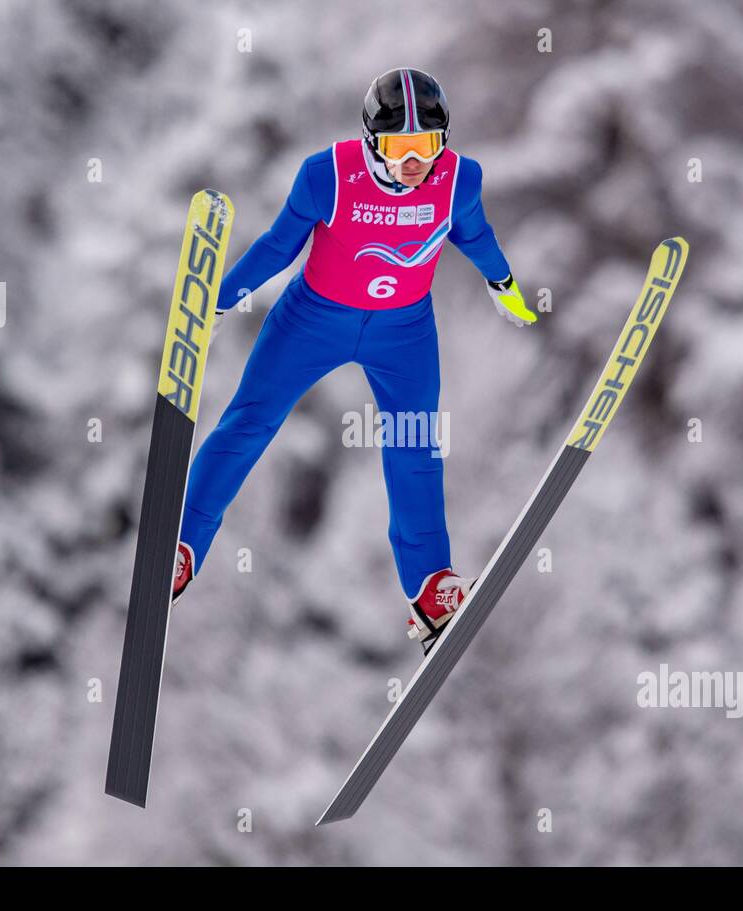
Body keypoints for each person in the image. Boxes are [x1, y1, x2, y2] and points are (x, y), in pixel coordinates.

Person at [172, 67, 537, 647]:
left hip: (405, 333)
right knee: (250, 422)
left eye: (427, 146)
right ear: (373, 143)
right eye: (400, 148)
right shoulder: (327, 176)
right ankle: (185, 542)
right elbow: (277, 247)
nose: (415, 162)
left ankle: (429, 587)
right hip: (312, 321)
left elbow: (475, 234)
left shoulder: (458, 180)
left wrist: (504, 283)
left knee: (415, 447)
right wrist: (216, 303)